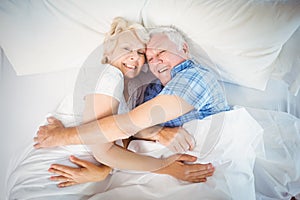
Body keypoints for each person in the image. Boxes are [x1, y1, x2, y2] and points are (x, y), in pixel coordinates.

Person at [34, 25, 230, 187]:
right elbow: (121, 136)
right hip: (73, 161)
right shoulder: (133, 85)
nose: (153, 60)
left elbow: (127, 128)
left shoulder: (194, 78)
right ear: (108, 52)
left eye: (161, 51)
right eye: (150, 57)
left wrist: (63, 136)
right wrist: (155, 134)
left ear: (185, 49)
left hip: (199, 165)